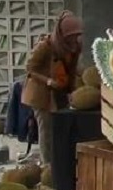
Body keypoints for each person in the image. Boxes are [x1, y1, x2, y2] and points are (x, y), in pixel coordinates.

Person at [21, 10, 83, 164]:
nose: (74, 39)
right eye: (71, 36)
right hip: (41, 94)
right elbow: (29, 68)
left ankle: (60, 160)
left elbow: (72, 69)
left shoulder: (75, 47)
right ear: (62, 34)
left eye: (77, 35)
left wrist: (72, 90)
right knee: (46, 130)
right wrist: (48, 80)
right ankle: (47, 165)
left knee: (61, 127)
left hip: (60, 91)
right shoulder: (45, 46)